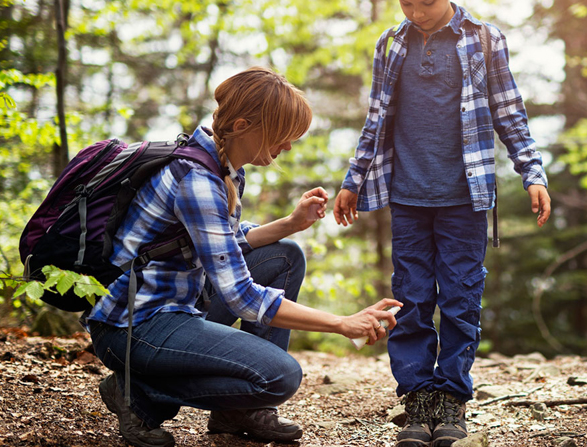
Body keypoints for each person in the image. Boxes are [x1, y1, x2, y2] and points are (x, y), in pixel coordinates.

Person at [86, 67, 401, 447]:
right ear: (243, 125)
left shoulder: (222, 167)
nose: (288, 146)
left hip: (178, 305)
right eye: (283, 136)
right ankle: (138, 396)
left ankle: (238, 412)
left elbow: (229, 242)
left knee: (285, 257)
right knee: (279, 377)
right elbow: (242, 296)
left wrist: (290, 223)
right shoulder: (197, 179)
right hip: (134, 325)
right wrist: (342, 323)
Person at [333, 0, 552, 447]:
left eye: (427, 1)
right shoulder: (391, 45)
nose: (416, 11)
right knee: (410, 298)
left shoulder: (482, 40)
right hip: (407, 199)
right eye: (405, 2)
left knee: (459, 297)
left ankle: (451, 396)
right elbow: (376, 120)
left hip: (465, 200)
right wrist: (352, 181)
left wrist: (532, 172)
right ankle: (417, 397)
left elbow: (509, 112)